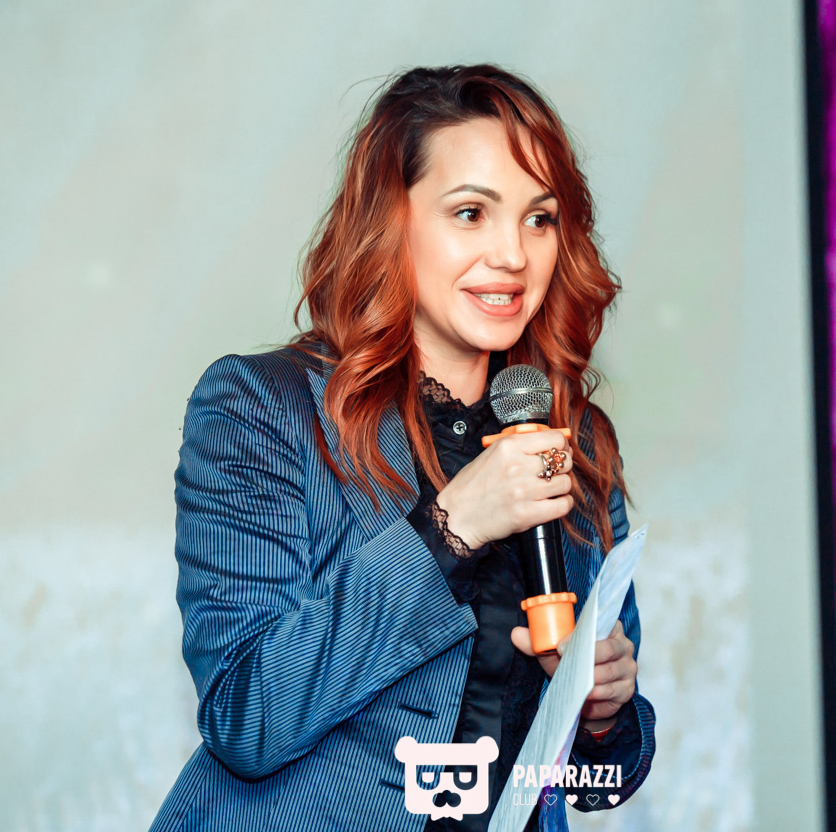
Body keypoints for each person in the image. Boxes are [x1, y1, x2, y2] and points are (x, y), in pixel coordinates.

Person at [150, 64, 656, 832]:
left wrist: (604, 712)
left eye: (539, 218)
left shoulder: (573, 439)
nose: (513, 255)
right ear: (393, 222)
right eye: (471, 213)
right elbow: (247, 716)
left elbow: (597, 781)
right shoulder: (264, 408)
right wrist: (453, 527)